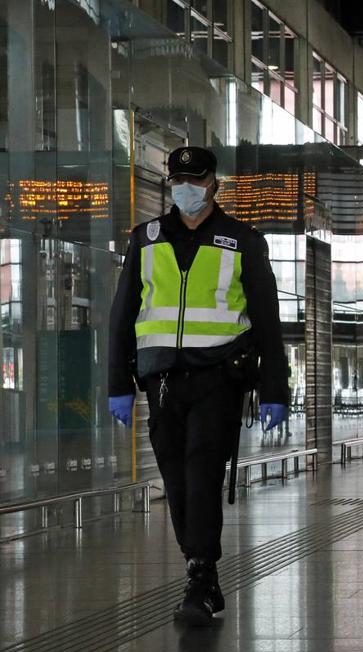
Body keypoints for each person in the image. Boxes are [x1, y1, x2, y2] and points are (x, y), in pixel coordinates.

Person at [107, 146, 288, 626]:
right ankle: (200, 567)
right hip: (161, 380)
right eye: (178, 179)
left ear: (214, 184)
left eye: (196, 178)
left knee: (201, 469)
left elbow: (268, 321)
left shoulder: (242, 239)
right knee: (175, 475)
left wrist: (275, 387)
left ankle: (201, 574)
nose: (186, 187)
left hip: (219, 377)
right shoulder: (144, 239)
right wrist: (117, 382)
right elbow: (122, 315)